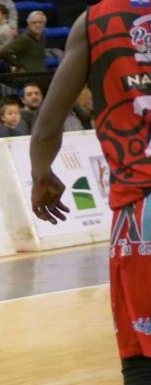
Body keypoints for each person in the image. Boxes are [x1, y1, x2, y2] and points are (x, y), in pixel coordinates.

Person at [29, 2, 151, 384]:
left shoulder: (96, 20)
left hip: (139, 210)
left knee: (141, 360)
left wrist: (41, 175)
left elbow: (48, 124)